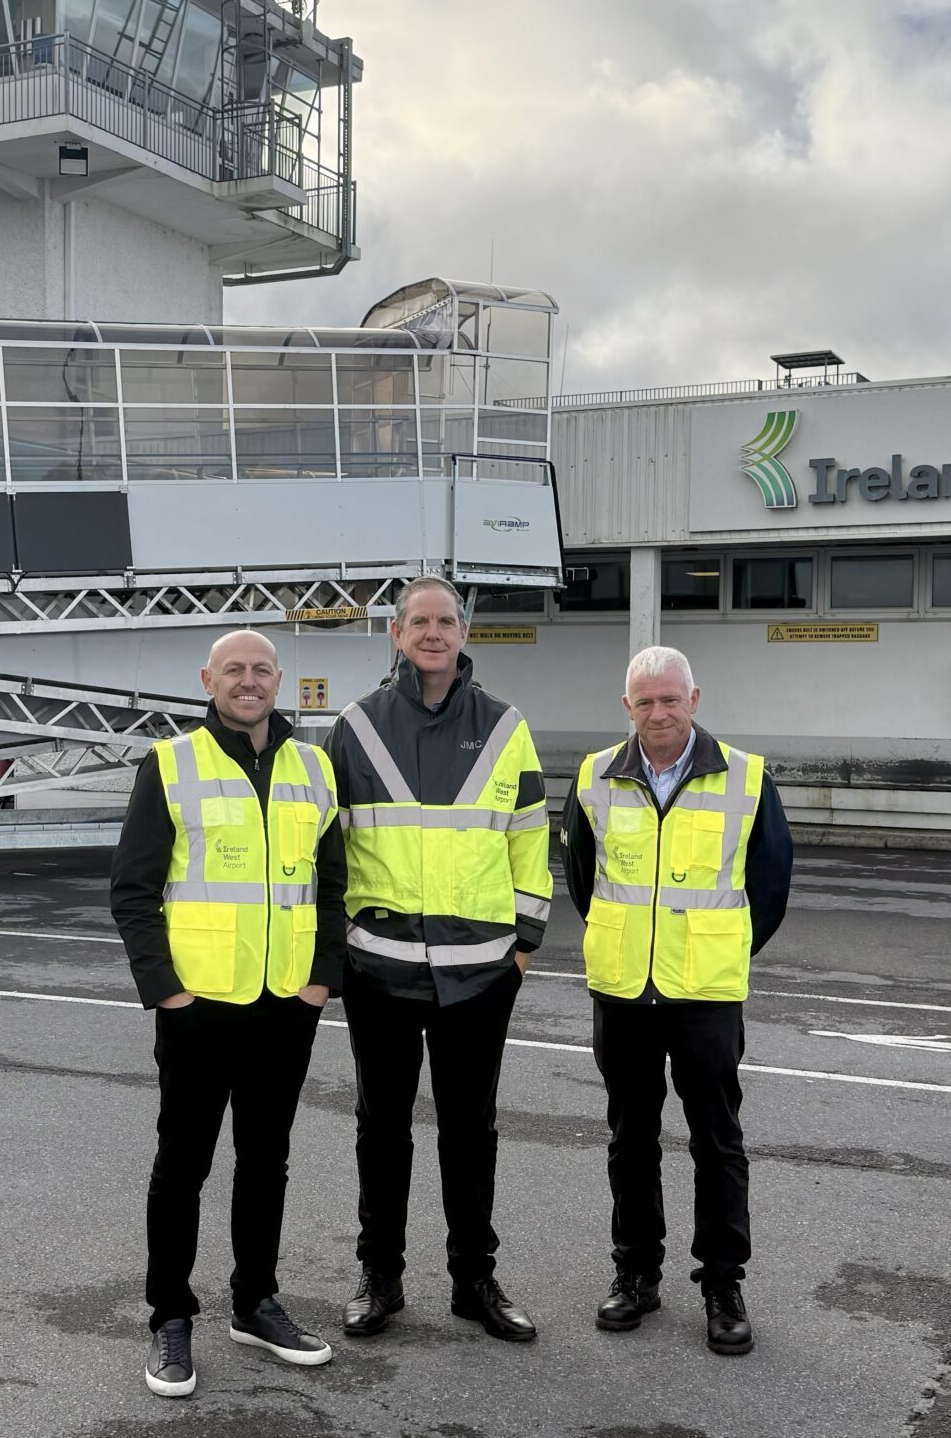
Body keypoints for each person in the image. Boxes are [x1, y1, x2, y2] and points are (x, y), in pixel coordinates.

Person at [109, 628, 348, 1399]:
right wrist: (167, 992)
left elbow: (335, 887)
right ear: (209, 679)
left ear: (280, 679)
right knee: (182, 1165)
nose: (249, 680)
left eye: (262, 669)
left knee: (266, 1161)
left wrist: (319, 983)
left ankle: (254, 1302)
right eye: (234, 669)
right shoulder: (171, 763)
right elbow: (134, 889)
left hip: (286, 1004)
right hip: (199, 1007)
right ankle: (170, 1315)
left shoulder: (314, 767)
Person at [325, 575, 551, 1343]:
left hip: (481, 973)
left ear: (463, 632)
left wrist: (524, 947)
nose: (431, 632)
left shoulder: (504, 726)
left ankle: (473, 1280)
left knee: (470, 1131)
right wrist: (338, 952)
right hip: (379, 969)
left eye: (444, 620)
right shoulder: (354, 726)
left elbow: (529, 837)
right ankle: (379, 1277)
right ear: (396, 634)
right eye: (417, 620)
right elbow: (331, 847)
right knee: (381, 1130)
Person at [561, 644, 792, 1356]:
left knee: (717, 1140)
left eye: (670, 699)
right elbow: (581, 876)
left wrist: (714, 952)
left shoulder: (748, 778)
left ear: (696, 699)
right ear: (626, 706)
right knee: (630, 1140)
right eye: (644, 701)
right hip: (624, 991)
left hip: (705, 996)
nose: (658, 712)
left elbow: (771, 887)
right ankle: (636, 1273)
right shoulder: (595, 775)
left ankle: (723, 1282)